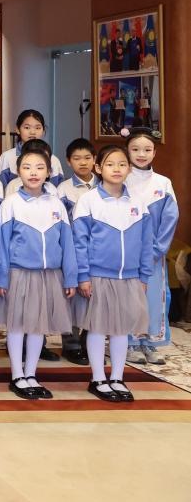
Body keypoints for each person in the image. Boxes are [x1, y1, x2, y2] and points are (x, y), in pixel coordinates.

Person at [0, 146, 76, 400]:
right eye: (27, 167)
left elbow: (67, 243)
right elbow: (1, 244)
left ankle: (31, 373)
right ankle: (17, 374)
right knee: (17, 325)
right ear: (18, 171)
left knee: (38, 326)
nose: (33, 172)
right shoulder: (11, 203)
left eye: (40, 168)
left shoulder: (56, 204)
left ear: (48, 172)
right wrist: (2, 276)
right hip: (19, 273)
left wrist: (71, 276)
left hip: (49, 275)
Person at [72, 145, 154, 402]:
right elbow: (79, 243)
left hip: (129, 277)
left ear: (129, 168)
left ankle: (117, 377)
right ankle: (98, 378)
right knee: (97, 328)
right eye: (110, 164)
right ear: (98, 168)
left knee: (121, 330)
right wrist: (83, 275)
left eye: (121, 164)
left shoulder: (138, 202)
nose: (116, 169)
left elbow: (146, 242)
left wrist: (144, 275)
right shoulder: (88, 201)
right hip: (98, 276)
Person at [123, 127, 179, 365]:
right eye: (135, 149)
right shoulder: (120, 179)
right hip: (126, 253)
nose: (141, 154)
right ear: (127, 151)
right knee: (128, 298)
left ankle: (149, 343)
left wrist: (157, 250)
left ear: (154, 152)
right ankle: (129, 343)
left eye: (147, 150)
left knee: (154, 298)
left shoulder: (163, 183)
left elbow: (170, 218)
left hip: (154, 255)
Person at [56, 137, 98, 366]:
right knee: (71, 297)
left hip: (99, 250)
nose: (83, 162)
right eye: (77, 158)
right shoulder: (63, 189)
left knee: (96, 297)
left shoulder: (103, 184)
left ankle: (88, 340)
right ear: (68, 161)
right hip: (72, 249)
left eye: (87, 158)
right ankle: (71, 345)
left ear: (95, 160)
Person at [0, 109, 65, 189]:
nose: (32, 132)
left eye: (37, 128)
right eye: (27, 127)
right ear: (17, 129)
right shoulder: (7, 157)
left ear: (43, 131)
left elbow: (59, 189)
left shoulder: (53, 160)